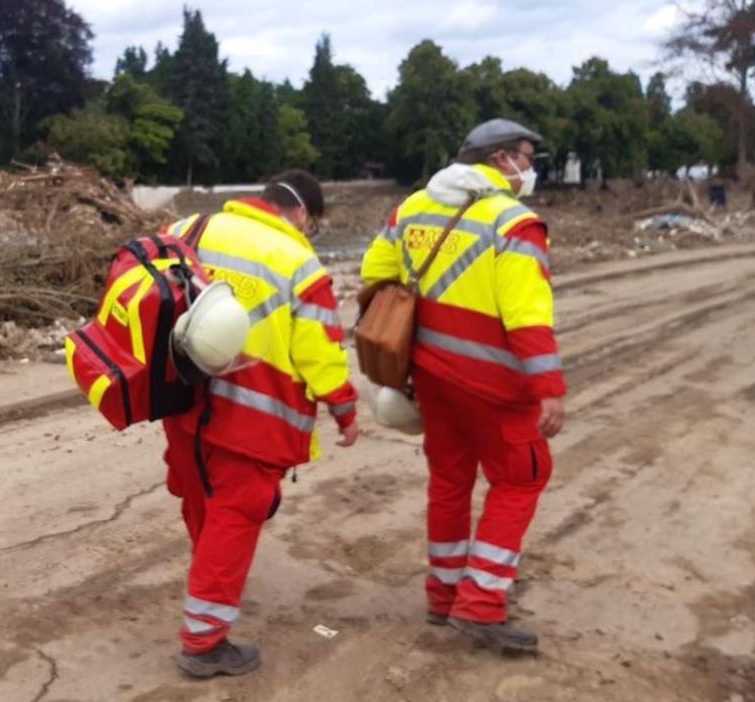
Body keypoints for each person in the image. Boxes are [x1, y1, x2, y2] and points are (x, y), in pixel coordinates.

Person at [361, 119, 566, 654]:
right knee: (522, 479)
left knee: (449, 480)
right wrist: (549, 387)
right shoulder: (514, 224)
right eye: (526, 156)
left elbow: (375, 270)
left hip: (431, 375)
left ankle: (444, 593)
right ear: (500, 160)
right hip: (496, 385)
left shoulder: (411, 208)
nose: (530, 168)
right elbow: (527, 317)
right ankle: (481, 604)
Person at [162, 169, 359, 678]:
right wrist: (344, 408)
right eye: (312, 222)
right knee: (237, 512)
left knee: (201, 496)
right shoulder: (300, 264)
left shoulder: (192, 228)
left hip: (184, 399)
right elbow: (320, 353)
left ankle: (211, 583)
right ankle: (204, 642)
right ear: (301, 214)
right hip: (253, 415)